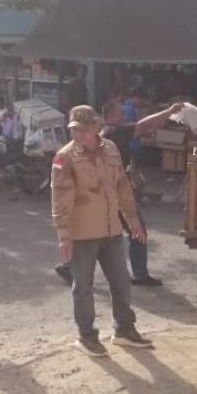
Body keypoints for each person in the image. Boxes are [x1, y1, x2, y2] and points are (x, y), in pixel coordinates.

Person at [51, 105, 152, 357]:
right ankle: (86, 336)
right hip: (82, 234)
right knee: (82, 287)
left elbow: (122, 188)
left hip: (111, 230)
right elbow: (60, 199)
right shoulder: (64, 157)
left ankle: (124, 330)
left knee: (121, 282)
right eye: (75, 130)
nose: (79, 135)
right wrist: (64, 235)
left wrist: (133, 220)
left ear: (97, 127)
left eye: (84, 130)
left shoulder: (111, 149)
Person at [55, 100, 184, 288]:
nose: (124, 115)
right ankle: (138, 274)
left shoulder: (106, 134)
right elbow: (143, 125)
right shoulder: (115, 132)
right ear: (111, 115)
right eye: (120, 113)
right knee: (136, 230)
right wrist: (170, 112)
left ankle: (68, 266)